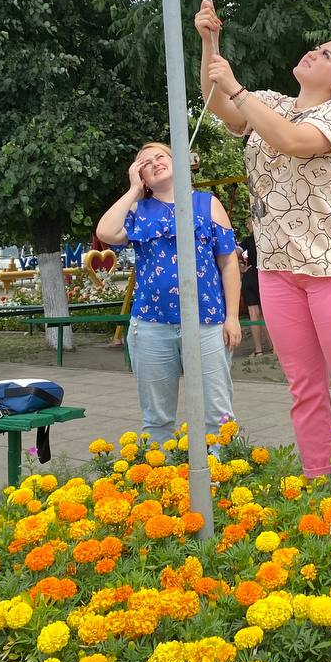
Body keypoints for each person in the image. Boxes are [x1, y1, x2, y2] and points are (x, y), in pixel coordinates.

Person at [195, 0, 331, 491]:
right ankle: (321, 488)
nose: (313, 54)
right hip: (277, 262)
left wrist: (237, 86)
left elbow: (294, 141)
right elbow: (218, 103)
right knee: (304, 386)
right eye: (316, 47)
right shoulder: (270, 103)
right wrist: (209, 41)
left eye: (325, 54)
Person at [96, 141, 242, 443]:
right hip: (151, 326)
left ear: (179, 162)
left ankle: (220, 481)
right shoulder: (138, 209)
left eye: (160, 156)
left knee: (217, 416)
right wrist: (134, 190)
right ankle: (162, 482)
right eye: (144, 162)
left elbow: (228, 263)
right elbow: (106, 233)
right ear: (141, 175)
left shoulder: (207, 203)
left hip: (207, 323)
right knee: (157, 420)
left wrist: (233, 317)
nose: (154, 162)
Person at [239, 218, 271, 358]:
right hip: (258, 276)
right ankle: (266, 348)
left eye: (248, 222)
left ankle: (266, 348)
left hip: (257, 276)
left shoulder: (254, 238)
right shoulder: (258, 238)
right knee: (260, 313)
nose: (246, 225)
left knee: (260, 314)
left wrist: (240, 266)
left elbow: (235, 252)